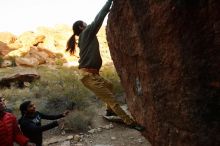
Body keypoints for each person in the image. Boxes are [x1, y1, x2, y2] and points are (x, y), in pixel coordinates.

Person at [66, 0, 144, 131]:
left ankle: (109, 111)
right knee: (112, 99)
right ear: (81, 27)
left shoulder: (85, 37)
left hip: (92, 75)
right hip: (88, 76)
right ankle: (131, 123)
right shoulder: (86, 33)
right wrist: (109, 3)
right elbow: (99, 18)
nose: (87, 24)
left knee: (110, 86)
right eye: (85, 23)